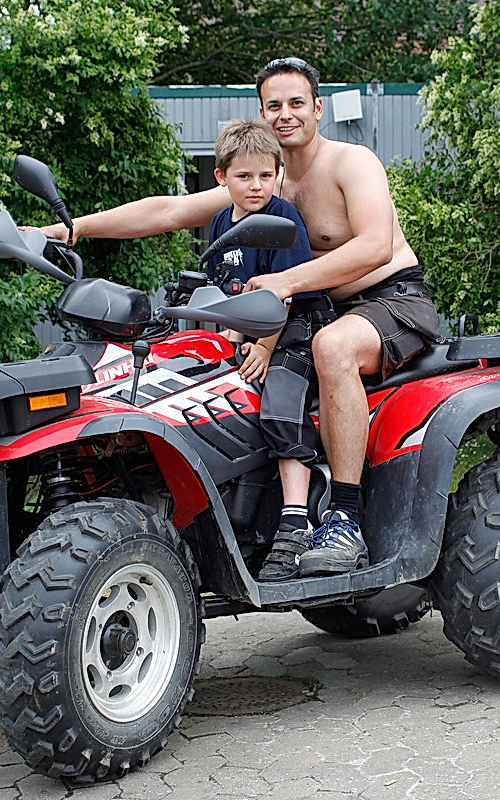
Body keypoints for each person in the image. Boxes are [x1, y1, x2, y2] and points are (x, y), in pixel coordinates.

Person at [31, 58, 441, 577]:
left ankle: (344, 519)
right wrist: (68, 231)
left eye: (297, 103)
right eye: (275, 105)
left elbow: (376, 246)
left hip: (388, 299)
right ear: (262, 113)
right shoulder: (261, 178)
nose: (286, 114)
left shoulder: (350, 162)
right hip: (311, 311)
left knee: (332, 347)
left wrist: (286, 282)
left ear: (318, 108)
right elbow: (169, 211)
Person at [203, 119, 336, 581]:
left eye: (265, 175)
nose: (256, 186)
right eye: (244, 176)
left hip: (296, 328)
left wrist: (262, 347)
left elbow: (285, 294)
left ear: (278, 173)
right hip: (251, 329)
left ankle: (295, 521)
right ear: (221, 177)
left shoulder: (282, 220)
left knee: (279, 403)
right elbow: (226, 288)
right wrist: (231, 338)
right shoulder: (221, 223)